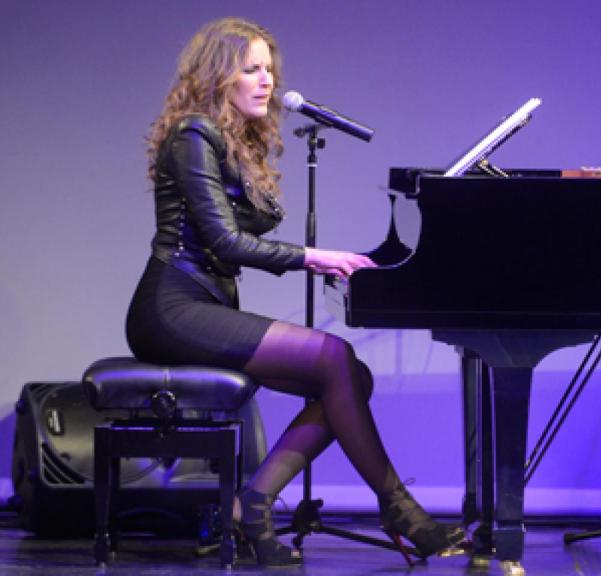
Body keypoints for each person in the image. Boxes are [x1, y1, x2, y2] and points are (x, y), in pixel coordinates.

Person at [125, 17, 463, 566]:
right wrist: (315, 257)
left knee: (352, 376)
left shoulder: (228, 140)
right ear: (218, 76)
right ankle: (399, 509)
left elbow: (248, 227)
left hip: (203, 305)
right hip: (170, 309)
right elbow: (225, 242)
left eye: (268, 70)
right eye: (251, 70)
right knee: (335, 357)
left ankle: (253, 503)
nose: (267, 81)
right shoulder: (193, 135)